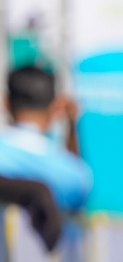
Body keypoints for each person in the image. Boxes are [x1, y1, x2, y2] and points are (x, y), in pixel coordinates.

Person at [1, 63, 93, 212]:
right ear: (54, 106)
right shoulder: (72, 176)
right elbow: (77, 200)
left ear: (6, 102)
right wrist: (71, 127)